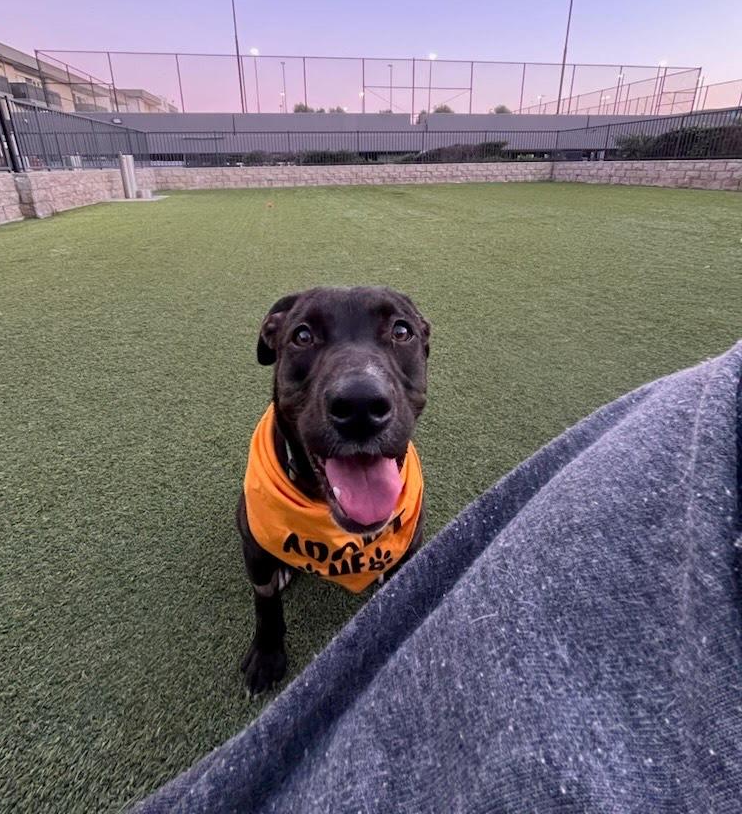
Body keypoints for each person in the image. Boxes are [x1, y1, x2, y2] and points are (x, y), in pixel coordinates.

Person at [134, 341, 742, 813]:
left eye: (398, 333)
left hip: (381, 538)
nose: (359, 388)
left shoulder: (408, 498)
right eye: (303, 338)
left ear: (422, 352)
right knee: (262, 547)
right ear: (274, 355)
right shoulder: (265, 488)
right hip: (281, 527)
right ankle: (278, 616)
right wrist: (269, 636)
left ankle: (375, 571)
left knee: (399, 569)